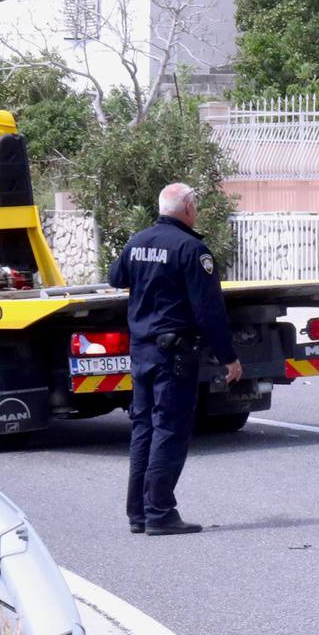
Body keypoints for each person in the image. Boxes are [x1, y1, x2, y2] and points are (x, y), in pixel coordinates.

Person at [108, 183, 242, 536]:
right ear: (186, 209)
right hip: (174, 354)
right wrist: (228, 357)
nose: (195, 211)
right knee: (169, 428)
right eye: (194, 205)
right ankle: (160, 512)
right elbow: (209, 311)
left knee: (143, 429)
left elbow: (115, 278)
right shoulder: (191, 249)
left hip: (141, 352)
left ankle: (138, 513)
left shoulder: (137, 242)